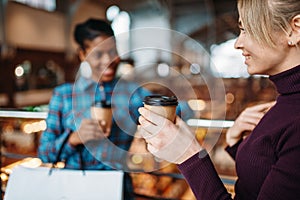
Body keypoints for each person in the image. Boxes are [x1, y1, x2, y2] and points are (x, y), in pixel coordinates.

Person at [138, 0, 300, 199]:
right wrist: (239, 144)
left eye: (247, 29)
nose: (237, 43)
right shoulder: (287, 101)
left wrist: (189, 156)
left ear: (294, 30)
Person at [37, 18, 152, 199]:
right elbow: (45, 154)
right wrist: (74, 138)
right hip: (74, 191)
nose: (109, 60)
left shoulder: (131, 92)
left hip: (118, 190)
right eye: (98, 54)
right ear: (82, 54)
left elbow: (168, 109)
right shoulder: (64, 95)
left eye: (113, 51)